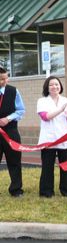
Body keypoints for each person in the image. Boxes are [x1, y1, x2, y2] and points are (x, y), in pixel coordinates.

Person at [36, 76, 67, 198]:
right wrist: (61, 109)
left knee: (66, 166)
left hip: (64, 137)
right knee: (47, 166)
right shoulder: (42, 101)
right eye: (52, 85)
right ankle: (46, 192)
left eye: (57, 84)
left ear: (60, 86)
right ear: (47, 88)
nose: (55, 87)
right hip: (48, 139)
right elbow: (46, 117)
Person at [0, 66, 25, 197]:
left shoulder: (14, 91)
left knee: (14, 161)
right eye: (2, 79)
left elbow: (21, 110)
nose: (5, 81)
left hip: (11, 132)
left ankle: (16, 190)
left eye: (6, 78)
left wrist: (8, 119)